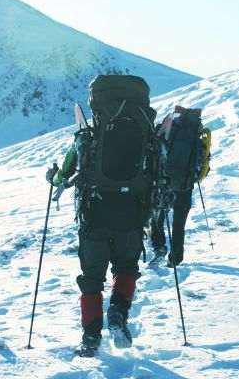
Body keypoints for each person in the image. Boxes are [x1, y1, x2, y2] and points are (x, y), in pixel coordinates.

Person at [47, 75, 157, 357]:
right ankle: (119, 311)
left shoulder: (87, 135)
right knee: (126, 269)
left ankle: (90, 337)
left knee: (92, 277)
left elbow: (64, 175)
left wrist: (54, 176)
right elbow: (158, 172)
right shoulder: (146, 134)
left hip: (95, 213)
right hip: (132, 212)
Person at [150, 106, 211, 267]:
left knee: (157, 217)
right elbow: (204, 159)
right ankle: (175, 258)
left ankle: (159, 247)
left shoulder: (168, 127)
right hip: (185, 186)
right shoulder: (198, 134)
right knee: (179, 225)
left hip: (164, 183)